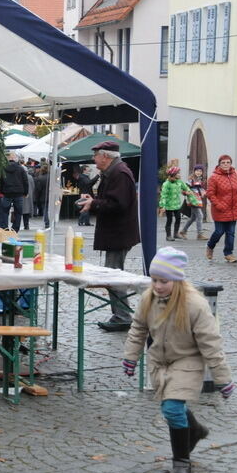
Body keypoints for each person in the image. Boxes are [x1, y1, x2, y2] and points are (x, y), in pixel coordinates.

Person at [122, 247, 235, 473]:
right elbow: (138, 329)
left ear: (177, 280)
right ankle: (195, 431)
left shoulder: (195, 305)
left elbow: (211, 344)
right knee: (173, 407)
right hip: (159, 362)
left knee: (172, 409)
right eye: (154, 280)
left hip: (188, 361)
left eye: (164, 281)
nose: (158, 285)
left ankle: (182, 463)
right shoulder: (148, 298)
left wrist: (222, 379)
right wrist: (131, 357)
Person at [77, 141, 140, 332]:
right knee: (113, 273)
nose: (93, 159)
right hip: (117, 232)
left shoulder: (119, 173)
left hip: (119, 232)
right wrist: (93, 201)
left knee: (114, 274)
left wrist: (94, 204)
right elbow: (112, 200)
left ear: (105, 156)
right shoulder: (114, 171)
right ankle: (120, 314)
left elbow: (118, 204)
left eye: (95, 155)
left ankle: (123, 316)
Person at [205, 155, 237, 263]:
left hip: (234, 209)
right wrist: (219, 205)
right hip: (220, 209)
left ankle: (228, 253)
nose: (226, 164)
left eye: (228, 162)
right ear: (219, 164)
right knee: (219, 231)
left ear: (231, 163)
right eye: (223, 162)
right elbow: (210, 194)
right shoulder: (214, 177)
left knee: (231, 232)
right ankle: (210, 246)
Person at [158, 166, 194, 242]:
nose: (179, 174)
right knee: (169, 220)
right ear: (173, 174)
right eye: (178, 173)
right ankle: (168, 236)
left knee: (178, 219)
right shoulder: (166, 184)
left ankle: (176, 234)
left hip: (177, 205)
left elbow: (186, 188)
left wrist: (188, 191)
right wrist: (162, 206)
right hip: (168, 206)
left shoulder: (179, 182)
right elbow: (163, 196)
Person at [0, 153, 29, 230]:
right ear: (15, 159)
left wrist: (2, 191)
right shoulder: (21, 169)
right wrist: (25, 192)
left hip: (7, 193)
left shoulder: (3, 168)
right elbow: (25, 181)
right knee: (18, 212)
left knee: (4, 211)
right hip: (18, 193)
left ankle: (4, 227)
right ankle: (15, 228)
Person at [178, 165, 208, 240]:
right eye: (197, 171)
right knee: (200, 216)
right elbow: (183, 189)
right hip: (192, 201)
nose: (199, 172)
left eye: (200, 171)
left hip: (198, 200)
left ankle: (183, 231)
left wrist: (204, 193)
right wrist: (186, 193)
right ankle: (200, 234)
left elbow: (199, 189)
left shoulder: (200, 179)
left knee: (193, 217)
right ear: (194, 171)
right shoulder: (191, 180)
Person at [20, 161, 35, 230]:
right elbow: (33, 187)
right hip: (28, 196)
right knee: (26, 212)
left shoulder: (19, 177)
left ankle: (17, 225)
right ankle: (26, 225)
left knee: (19, 211)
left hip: (21, 196)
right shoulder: (30, 177)